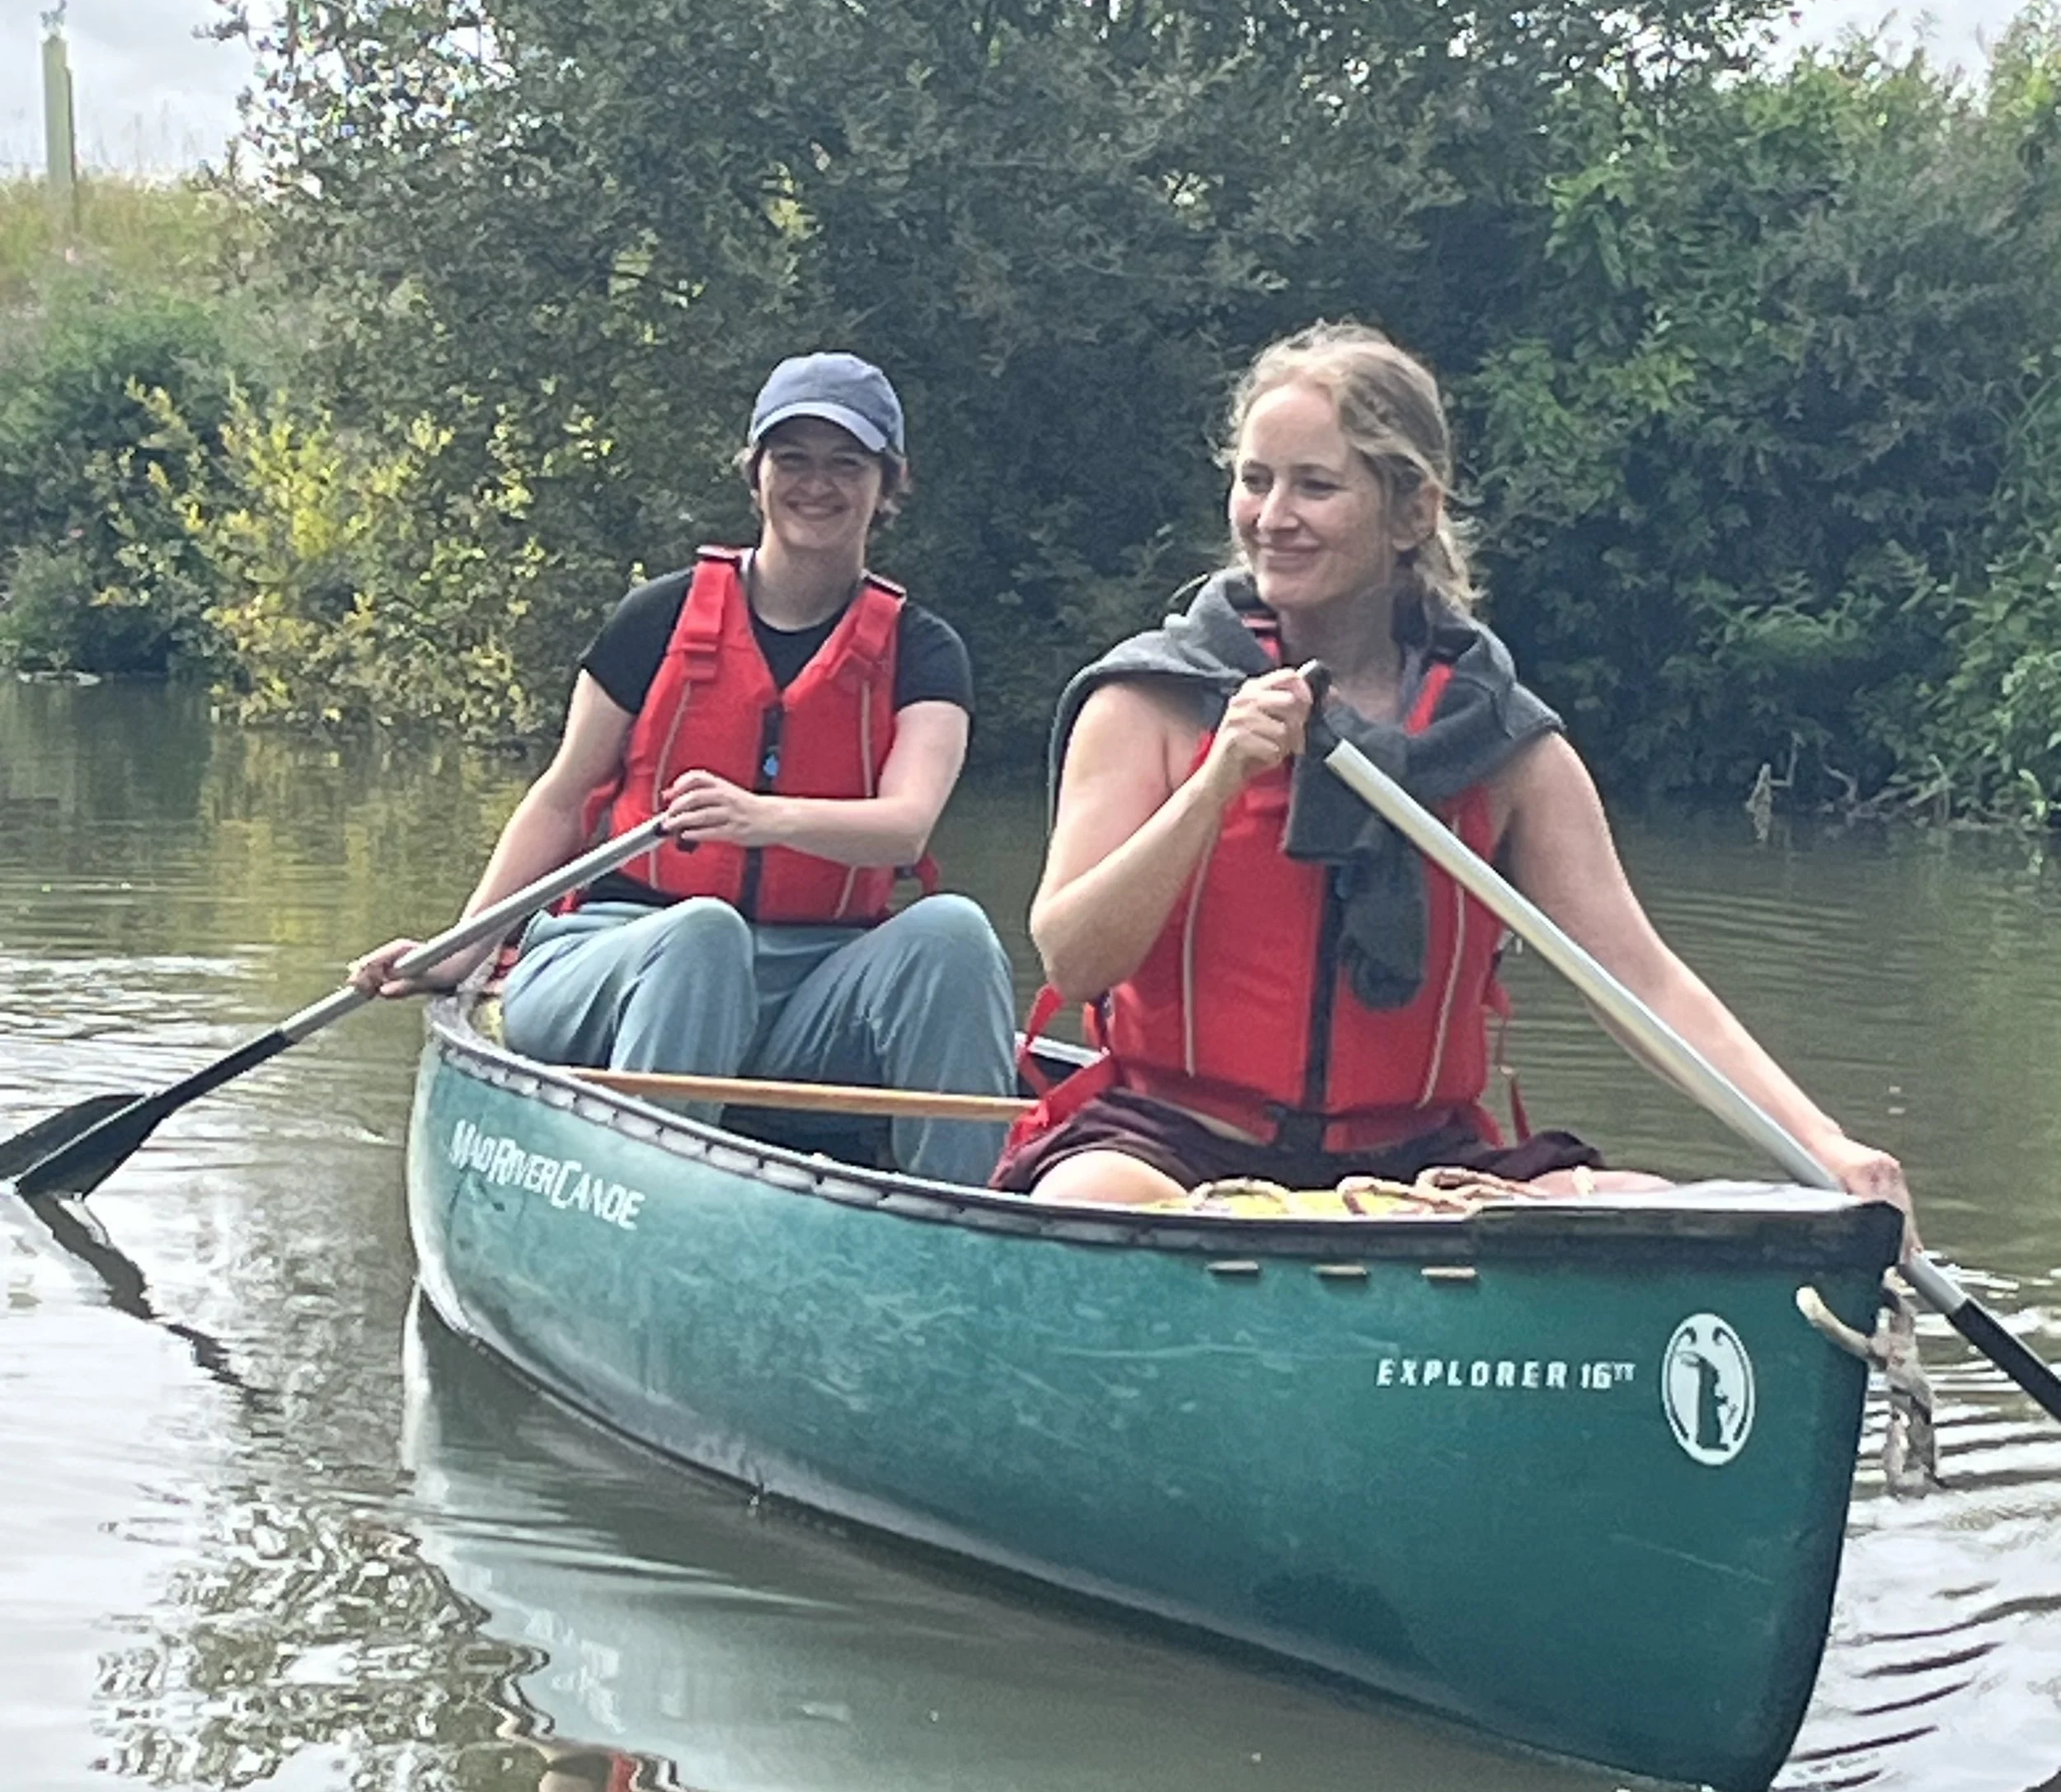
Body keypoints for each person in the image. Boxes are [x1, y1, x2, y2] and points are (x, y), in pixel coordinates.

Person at [995, 321, 1908, 1213]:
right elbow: (1072, 961)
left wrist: (1823, 1146)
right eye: (1255, 482)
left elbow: (1641, 979)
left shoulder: (1506, 746)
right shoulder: (1149, 702)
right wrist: (1216, 781)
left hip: (1424, 1168)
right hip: (1174, 1144)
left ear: (1412, 510)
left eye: (1315, 486)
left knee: (1646, 1209)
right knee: (1094, 1196)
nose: (1272, 519)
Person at [352, 351, 1016, 1187]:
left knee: (953, 932)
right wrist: (458, 950)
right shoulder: (657, 618)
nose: (817, 485)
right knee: (704, 932)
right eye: (792, 460)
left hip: (809, 981)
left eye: (847, 463)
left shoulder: (923, 649)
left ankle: (958, 1221)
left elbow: (904, 825)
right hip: (612, 955)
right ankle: (646, 1205)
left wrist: (763, 817)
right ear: (756, 475)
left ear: (887, 486)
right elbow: (561, 802)